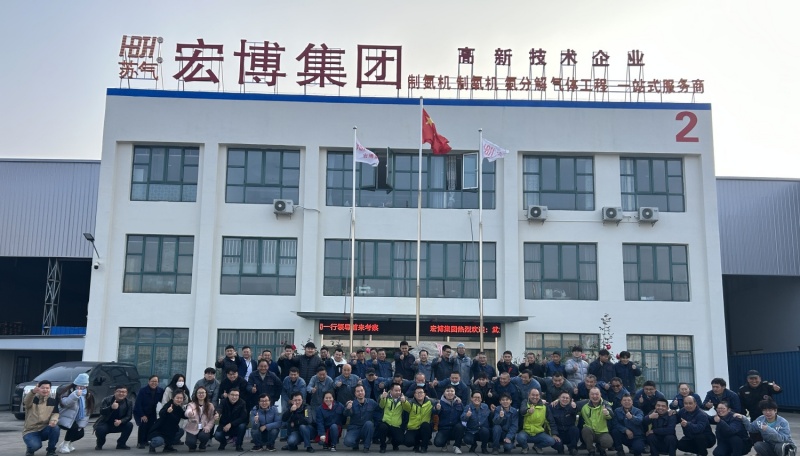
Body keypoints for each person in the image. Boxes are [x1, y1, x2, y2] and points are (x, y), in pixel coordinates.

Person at [55, 373, 94, 454]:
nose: (81, 388)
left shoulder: (87, 394)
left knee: (80, 434)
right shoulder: (68, 391)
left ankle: (67, 443)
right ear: (75, 384)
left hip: (77, 418)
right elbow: (65, 403)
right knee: (73, 428)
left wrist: (83, 422)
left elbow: (87, 409)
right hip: (64, 417)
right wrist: (75, 395)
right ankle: (65, 445)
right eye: (79, 385)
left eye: (84, 386)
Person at [23, 380, 60, 456]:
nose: (45, 390)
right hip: (31, 430)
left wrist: (53, 420)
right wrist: (33, 392)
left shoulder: (52, 401)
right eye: (43, 388)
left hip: (44, 429)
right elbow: (26, 402)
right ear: (38, 388)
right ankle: (30, 449)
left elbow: (55, 413)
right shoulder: (32, 399)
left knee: (55, 428)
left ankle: (51, 451)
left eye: (47, 388)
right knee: (35, 446)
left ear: (50, 389)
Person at [516, 388, 557, 455]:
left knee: (551, 441)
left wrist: (554, 434)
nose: (535, 397)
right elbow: (522, 411)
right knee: (519, 437)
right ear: (529, 395)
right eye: (533, 395)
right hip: (526, 432)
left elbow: (550, 421)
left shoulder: (544, 406)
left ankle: (537, 447)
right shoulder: (525, 402)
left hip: (539, 432)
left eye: (537, 395)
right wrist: (528, 411)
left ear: (540, 396)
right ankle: (525, 447)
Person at [94, 385, 134, 451]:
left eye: (123, 392)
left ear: (126, 393)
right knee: (100, 429)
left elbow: (129, 416)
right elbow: (101, 411)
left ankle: (121, 444)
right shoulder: (107, 400)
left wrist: (121, 421)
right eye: (119, 391)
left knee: (129, 425)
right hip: (105, 423)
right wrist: (111, 408)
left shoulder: (128, 402)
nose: (121, 393)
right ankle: (99, 444)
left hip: (119, 423)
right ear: (115, 392)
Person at [343, 384, 379, 452]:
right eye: (358, 391)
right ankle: (355, 443)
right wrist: (348, 408)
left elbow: (379, 411)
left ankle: (366, 447)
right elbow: (346, 414)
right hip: (354, 428)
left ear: (364, 391)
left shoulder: (371, 402)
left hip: (366, 428)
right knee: (348, 442)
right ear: (355, 393)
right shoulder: (351, 403)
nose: (360, 393)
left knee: (369, 424)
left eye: (362, 391)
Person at [579, 387, 614, 456]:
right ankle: (591, 450)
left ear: (600, 394)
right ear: (589, 395)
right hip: (590, 431)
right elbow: (568, 403)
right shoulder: (583, 404)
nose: (595, 396)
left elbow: (611, 414)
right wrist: (558, 400)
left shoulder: (606, 404)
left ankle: (601, 447)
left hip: (602, 432)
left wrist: (607, 413)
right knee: (585, 430)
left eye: (597, 394)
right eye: (592, 394)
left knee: (608, 443)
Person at [403, 386, 437, 453]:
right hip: (413, 428)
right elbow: (405, 405)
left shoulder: (430, 402)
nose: (419, 394)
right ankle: (417, 444)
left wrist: (437, 406)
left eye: (421, 392)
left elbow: (439, 401)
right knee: (408, 442)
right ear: (414, 395)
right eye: (417, 393)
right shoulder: (410, 402)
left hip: (425, 428)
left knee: (425, 425)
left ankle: (424, 447)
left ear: (424, 394)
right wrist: (403, 401)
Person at [134, 375, 164, 449]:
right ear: (148, 382)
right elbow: (138, 404)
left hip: (152, 411)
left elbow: (163, 400)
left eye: (156, 381)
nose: (154, 383)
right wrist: (142, 415)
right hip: (141, 410)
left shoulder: (160, 391)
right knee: (143, 425)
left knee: (151, 426)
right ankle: (140, 442)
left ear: (158, 382)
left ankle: (146, 441)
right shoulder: (143, 391)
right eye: (152, 381)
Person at [434, 386, 466, 454]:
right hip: (444, 429)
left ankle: (457, 446)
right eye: (448, 391)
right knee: (438, 443)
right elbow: (434, 413)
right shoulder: (439, 402)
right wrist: (437, 409)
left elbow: (463, 415)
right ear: (444, 393)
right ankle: (444, 443)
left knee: (460, 426)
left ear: (455, 393)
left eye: (452, 391)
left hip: (455, 428)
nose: (450, 393)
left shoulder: (459, 403)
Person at [184, 386, 215, 452]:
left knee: (204, 436)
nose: (201, 394)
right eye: (199, 393)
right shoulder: (191, 404)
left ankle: (202, 445)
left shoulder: (210, 405)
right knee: (190, 442)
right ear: (196, 394)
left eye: (203, 393)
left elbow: (212, 418)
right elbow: (187, 411)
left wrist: (208, 427)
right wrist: (189, 413)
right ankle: (192, 446)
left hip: (204, 427)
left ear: (206, 394)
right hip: (192, 427)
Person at [377, 384, 405, 453]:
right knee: (382, 427)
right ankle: (383, 446)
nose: (398, 392)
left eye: (399, 390)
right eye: (396, 390)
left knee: (400, 440)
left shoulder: (403, 398)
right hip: (386, 422)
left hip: (396, 425)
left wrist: (404, 402)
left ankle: (394, 444)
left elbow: (407, 409)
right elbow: (381, 406)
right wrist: (383, 398)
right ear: (391, 391)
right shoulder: (385, 396)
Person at [550, 391, 580, 456]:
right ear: (559, 398)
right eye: (563, 397)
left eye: (567, 398)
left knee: (575, 429)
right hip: (558, 432)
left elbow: (576, 411)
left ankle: (572, 448)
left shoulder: (572, 407)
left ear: (570, 399)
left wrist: (574, 407)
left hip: (569, 432)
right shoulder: (552, 407)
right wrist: (554, 434)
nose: (565, 399)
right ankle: (560, 448)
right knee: (557, 444)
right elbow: (551, 422)